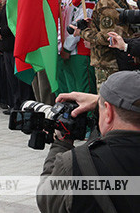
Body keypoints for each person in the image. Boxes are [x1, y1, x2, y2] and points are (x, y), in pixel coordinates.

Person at [37, 71, 140, 212]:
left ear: (108, 112)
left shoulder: (75, 165)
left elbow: (46, 200)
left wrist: (61, 143)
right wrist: (100, 101)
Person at [77, 0, 132, 90]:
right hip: (114, 63)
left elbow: (108, 37)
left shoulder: (105, 1)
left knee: (106, 106)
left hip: (110, 65)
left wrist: (84, 32)